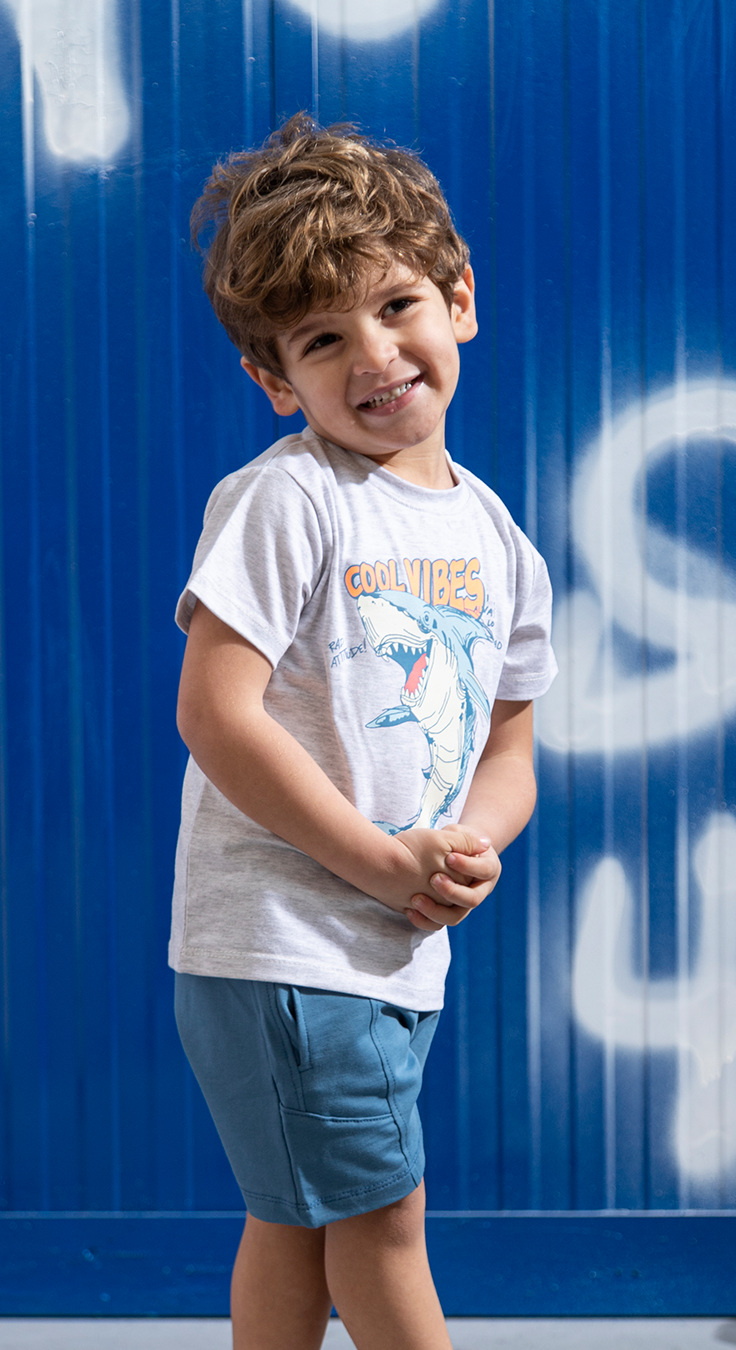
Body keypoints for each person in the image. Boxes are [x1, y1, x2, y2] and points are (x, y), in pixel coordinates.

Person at [171, 112, 557, 1350]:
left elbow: (509, 750)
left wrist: (468, 847)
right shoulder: (288, 500)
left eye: (397, 306)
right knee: (384, 1225)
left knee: (298, 1222)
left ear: (460, 300)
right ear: (276, 380)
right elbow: (214, 713)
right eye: (324, 338)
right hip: (290, 948)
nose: (375, 354)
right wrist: (381, 864)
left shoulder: (498, 539)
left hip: (386, 947)